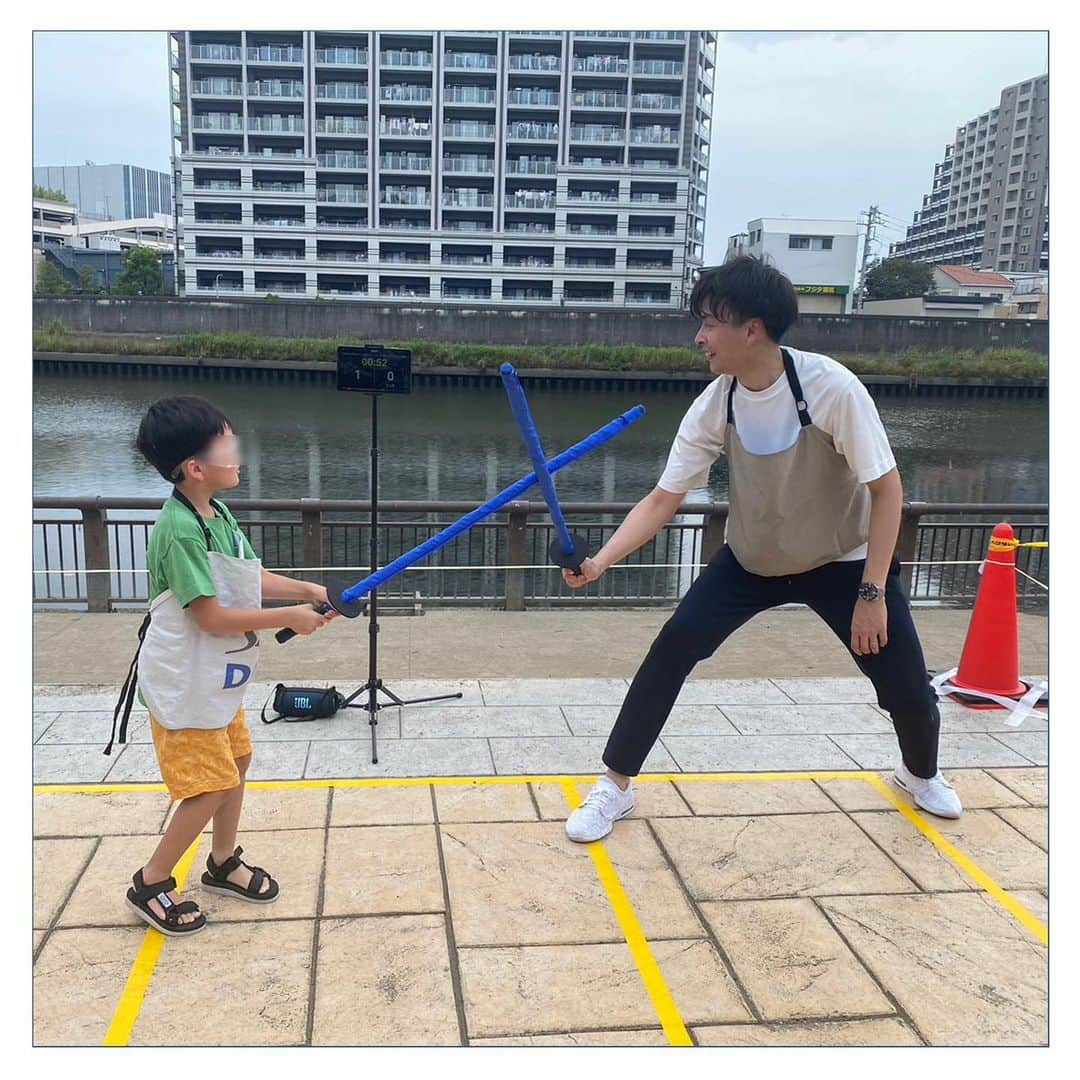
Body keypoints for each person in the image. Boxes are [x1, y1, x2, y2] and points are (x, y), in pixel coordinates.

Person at [563, 256, 962, 843]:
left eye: (708, 323)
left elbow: (887, 489)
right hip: (751, 561)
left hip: (842, 560)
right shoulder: (715, 403)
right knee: (673, 648)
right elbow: (663, 499)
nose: (698, 337)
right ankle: (614, 787)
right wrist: (599, 562)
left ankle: (918, 774)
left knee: (905, 688)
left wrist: (873, 592)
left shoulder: (831, 388)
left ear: (751, 328)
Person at [110, 396, 334, 936]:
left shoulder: (216, 511)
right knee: (207, 786)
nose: (240, 456)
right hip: (185, 682)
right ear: (195, 466)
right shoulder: (179, 529)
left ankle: (222, 860)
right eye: (229, 445)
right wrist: (291, 617)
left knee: (235, 761)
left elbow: (244, 578)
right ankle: (151, 881)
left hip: (217, 676)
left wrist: (310, 589)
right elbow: (209, 615)